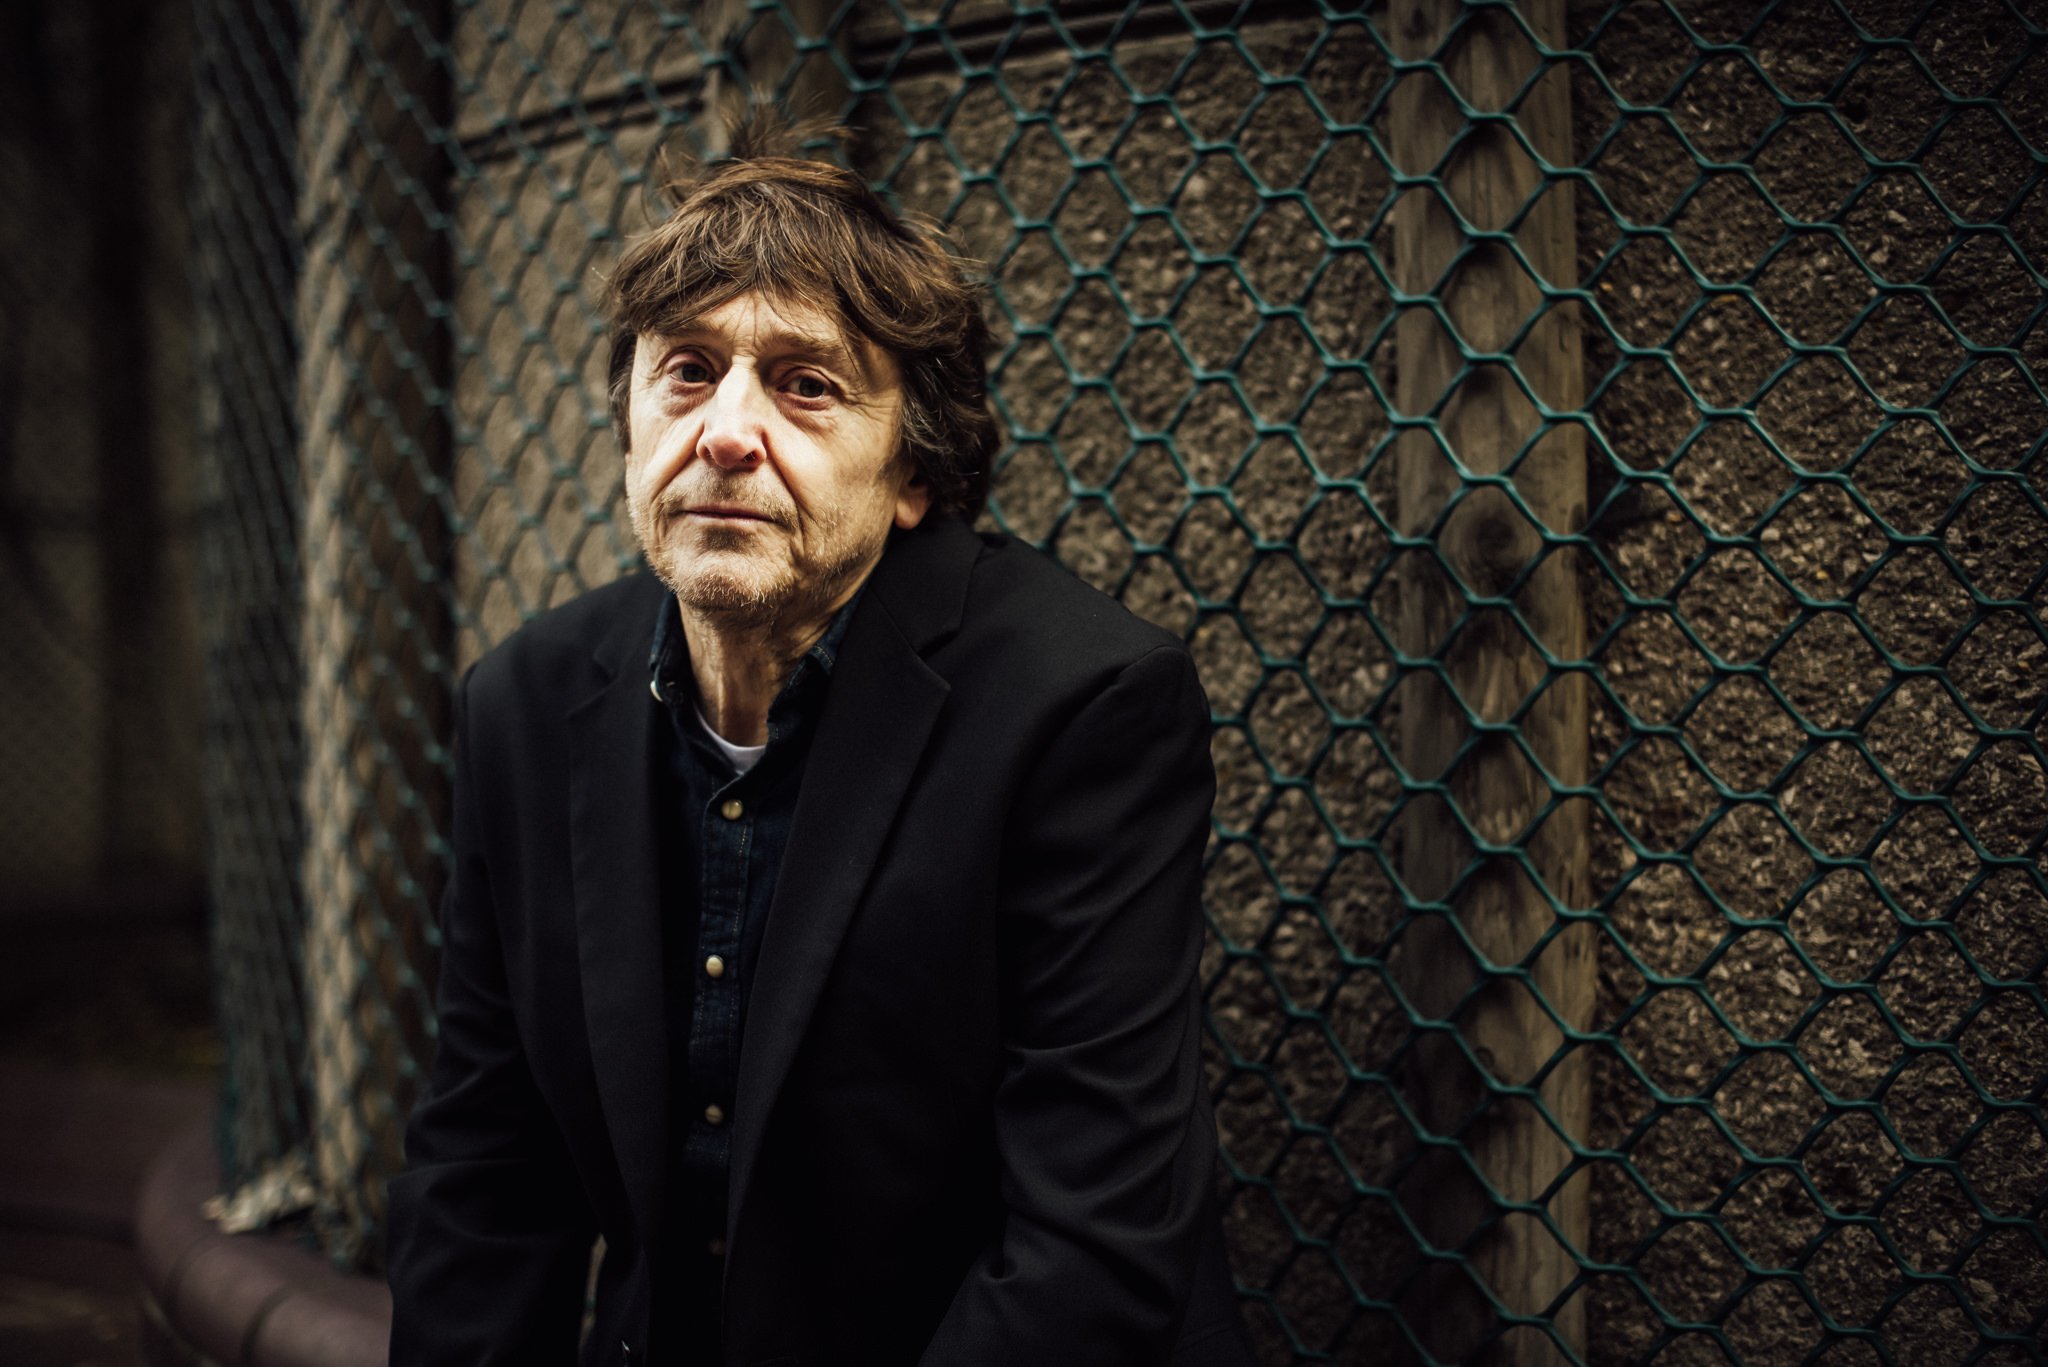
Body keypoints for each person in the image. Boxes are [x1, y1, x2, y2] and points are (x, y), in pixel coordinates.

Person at [384, 124, 1254, 1367]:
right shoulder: (522, 702)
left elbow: (1091, 1233)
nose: (725, 431)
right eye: (687, 371)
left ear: (913, 474)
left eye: (805, 385)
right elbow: (483, 1167)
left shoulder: (1081, 705)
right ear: (628, 422)